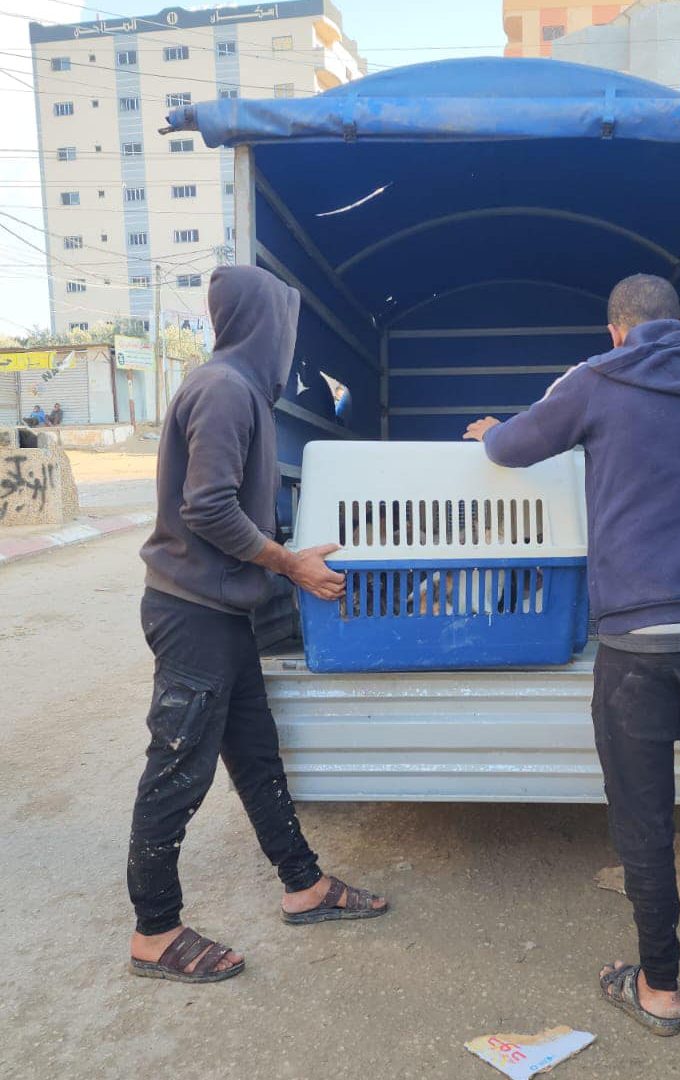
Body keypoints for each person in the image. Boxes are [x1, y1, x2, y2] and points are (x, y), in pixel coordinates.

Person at [465, 274, 680, 1051]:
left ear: (616, 331)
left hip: (639, 649)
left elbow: (509, 447)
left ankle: (660, 989)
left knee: (645, 825)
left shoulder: (595, 382)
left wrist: (490, 430)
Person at [129, 265, 387, 986]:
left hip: (223, 610)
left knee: (256, 755)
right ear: (260, 322)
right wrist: (291, 565)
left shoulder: (243, 392)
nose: (289, 342)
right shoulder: (222, 390)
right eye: (286, 325)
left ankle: (302, 884)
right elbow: (207, 507)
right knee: (177, 769)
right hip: (192, 612)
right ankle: (154, 930)